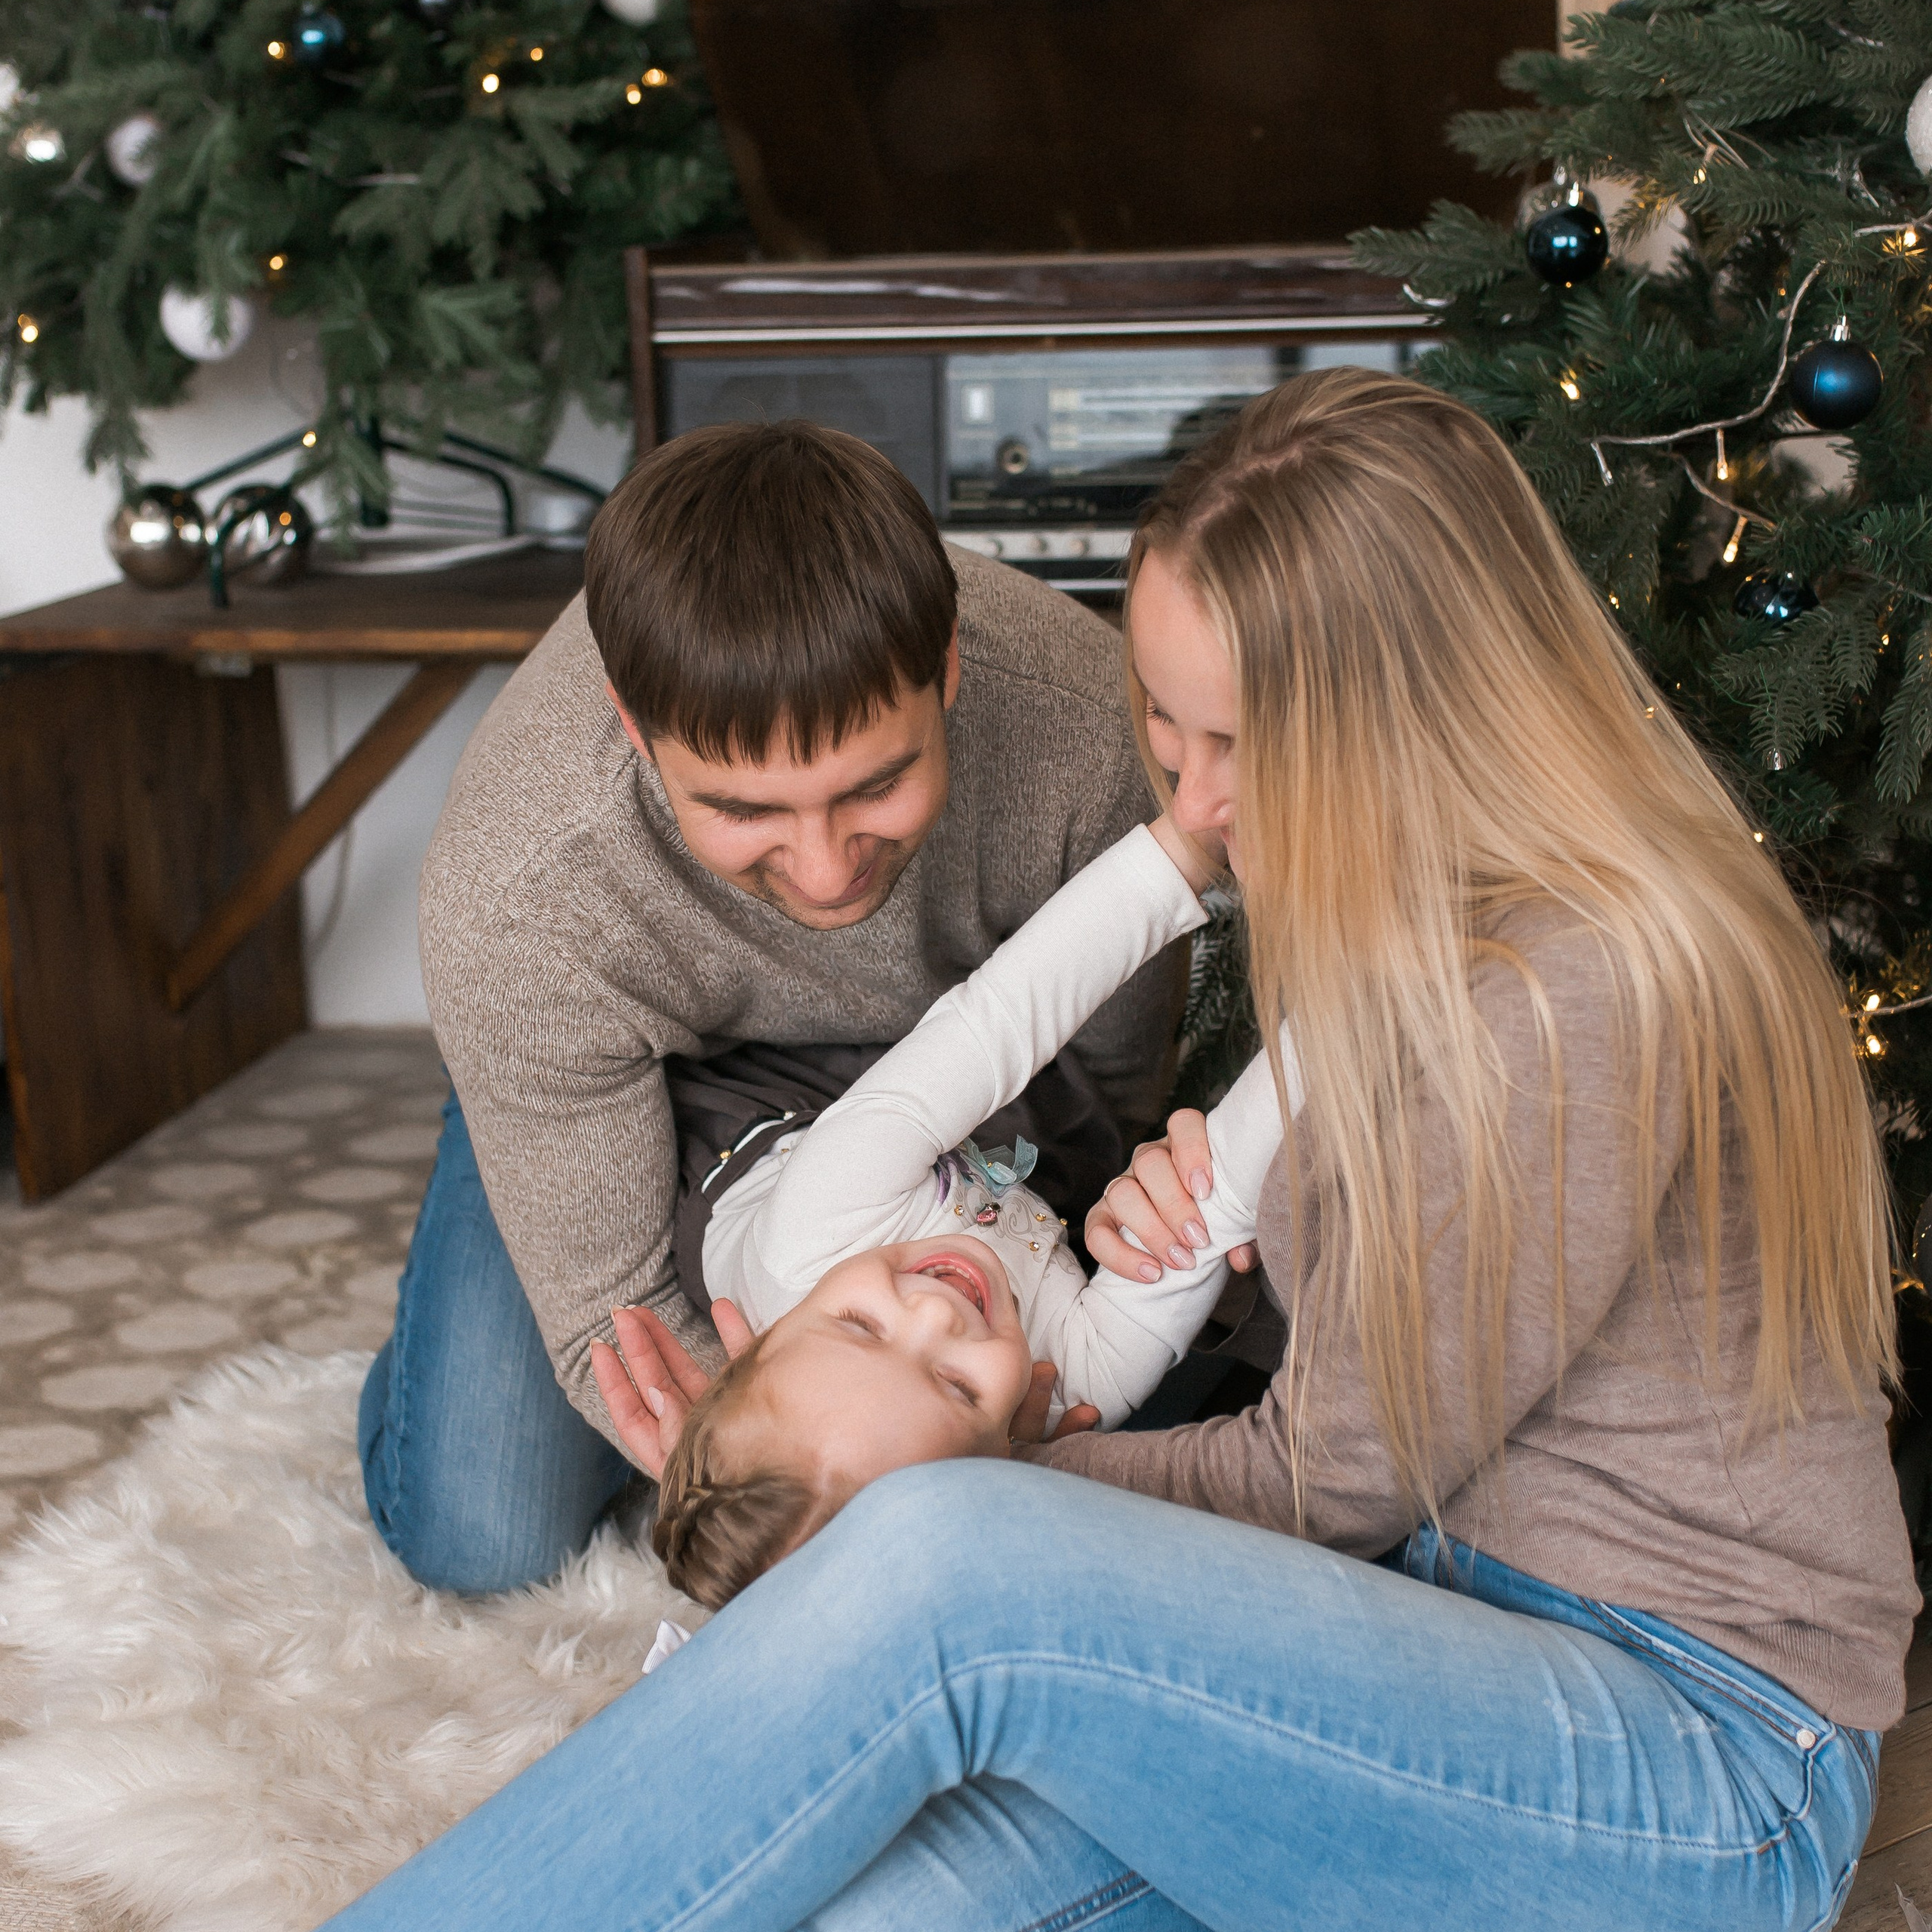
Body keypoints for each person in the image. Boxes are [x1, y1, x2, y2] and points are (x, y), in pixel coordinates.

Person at [325, 367, 1918, 1932]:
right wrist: (1221, 1215)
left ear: (1411, 715)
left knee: (941, 1558)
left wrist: (915, 1452)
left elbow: (1321, 1476)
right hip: (1427, 1633)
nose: (1199, 809)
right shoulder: (1415, 911)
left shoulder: (1570, 985)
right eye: (1164, 732)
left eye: (1243, 746)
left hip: (1686, 1762)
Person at [360, 420, 1187, 1594]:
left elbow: (1103, 1109)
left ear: (947, 670)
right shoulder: (520, 888)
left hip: (982, 1109)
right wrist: (764, 1420)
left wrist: (960, 1414)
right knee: (480, 1532)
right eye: (748, 811)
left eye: (876, 786)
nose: (823, 868)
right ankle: (490, 1181)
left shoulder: (1086, 743)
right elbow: (623, 1308)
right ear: (637, 733)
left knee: (1143, 1475)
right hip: (645, 1092)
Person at [602, 811, 1292, 1609]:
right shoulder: (1076, 1394)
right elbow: (1219, 1202)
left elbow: (1000, 1016)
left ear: (761, 1336)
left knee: (970, 1061)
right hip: (985, 1180)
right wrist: (1360, 1018)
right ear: (1011, 1460)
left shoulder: (817, 1226)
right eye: (958, 1387)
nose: (936, 1311)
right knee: (1080, 1143)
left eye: (859, 1326)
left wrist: (1186, 851)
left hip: (764, 1114)